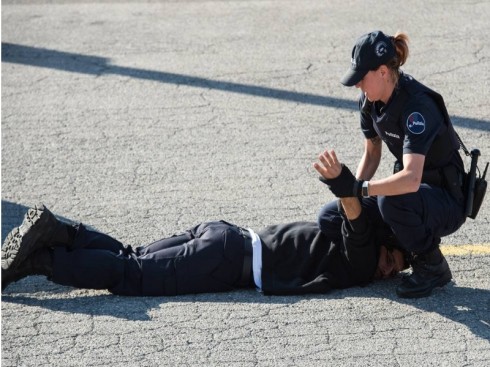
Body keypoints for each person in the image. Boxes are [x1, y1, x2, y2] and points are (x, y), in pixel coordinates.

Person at [2, 150, 408, 296]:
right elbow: (356, 225)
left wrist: (348, 191)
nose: (387, 270)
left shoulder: (340, 245)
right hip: (227, 260)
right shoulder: (358, 263)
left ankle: (57, 232)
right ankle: (40, 262)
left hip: (223, 236)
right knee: (132, 275)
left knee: (131, 255)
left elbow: (346, 222)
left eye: (395, 271)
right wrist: (344, 186)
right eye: (392, 259)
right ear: (383, 243)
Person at [317, 30, 467, 298]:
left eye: (362, 78)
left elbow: (410, 178)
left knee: (390, 200)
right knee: (332, 214)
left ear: (383, 72)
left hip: (445, 199)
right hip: (413, 195)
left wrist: (360, 188)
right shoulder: (370, 102)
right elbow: (372, 153)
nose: (357, 86)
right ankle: (394, 252)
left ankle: (432, 265)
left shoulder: (417, 108)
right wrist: (349, 194)